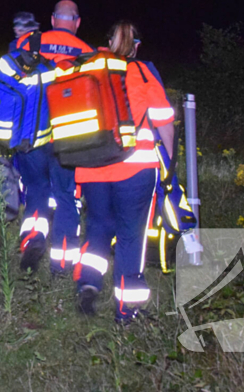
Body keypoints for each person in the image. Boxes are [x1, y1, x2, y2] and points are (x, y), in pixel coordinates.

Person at [73, 21, 175, 323]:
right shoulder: (142, 72)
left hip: (92, 167)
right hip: (136, 169)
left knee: (98, 227)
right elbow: (164, 123)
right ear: (136, 46)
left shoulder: (86, 69)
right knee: (131, 236)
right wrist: (170, 162)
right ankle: (126, 309)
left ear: (107, 42)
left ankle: (88, 284)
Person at [14, 0, 93, 274]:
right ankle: (62, 264)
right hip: (67, 137)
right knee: (65, 195)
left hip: (31, 134)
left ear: (52, 19)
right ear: (77, 22)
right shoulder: (86, 52)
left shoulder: (27, 43)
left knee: (36, 189)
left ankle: (32, 241)